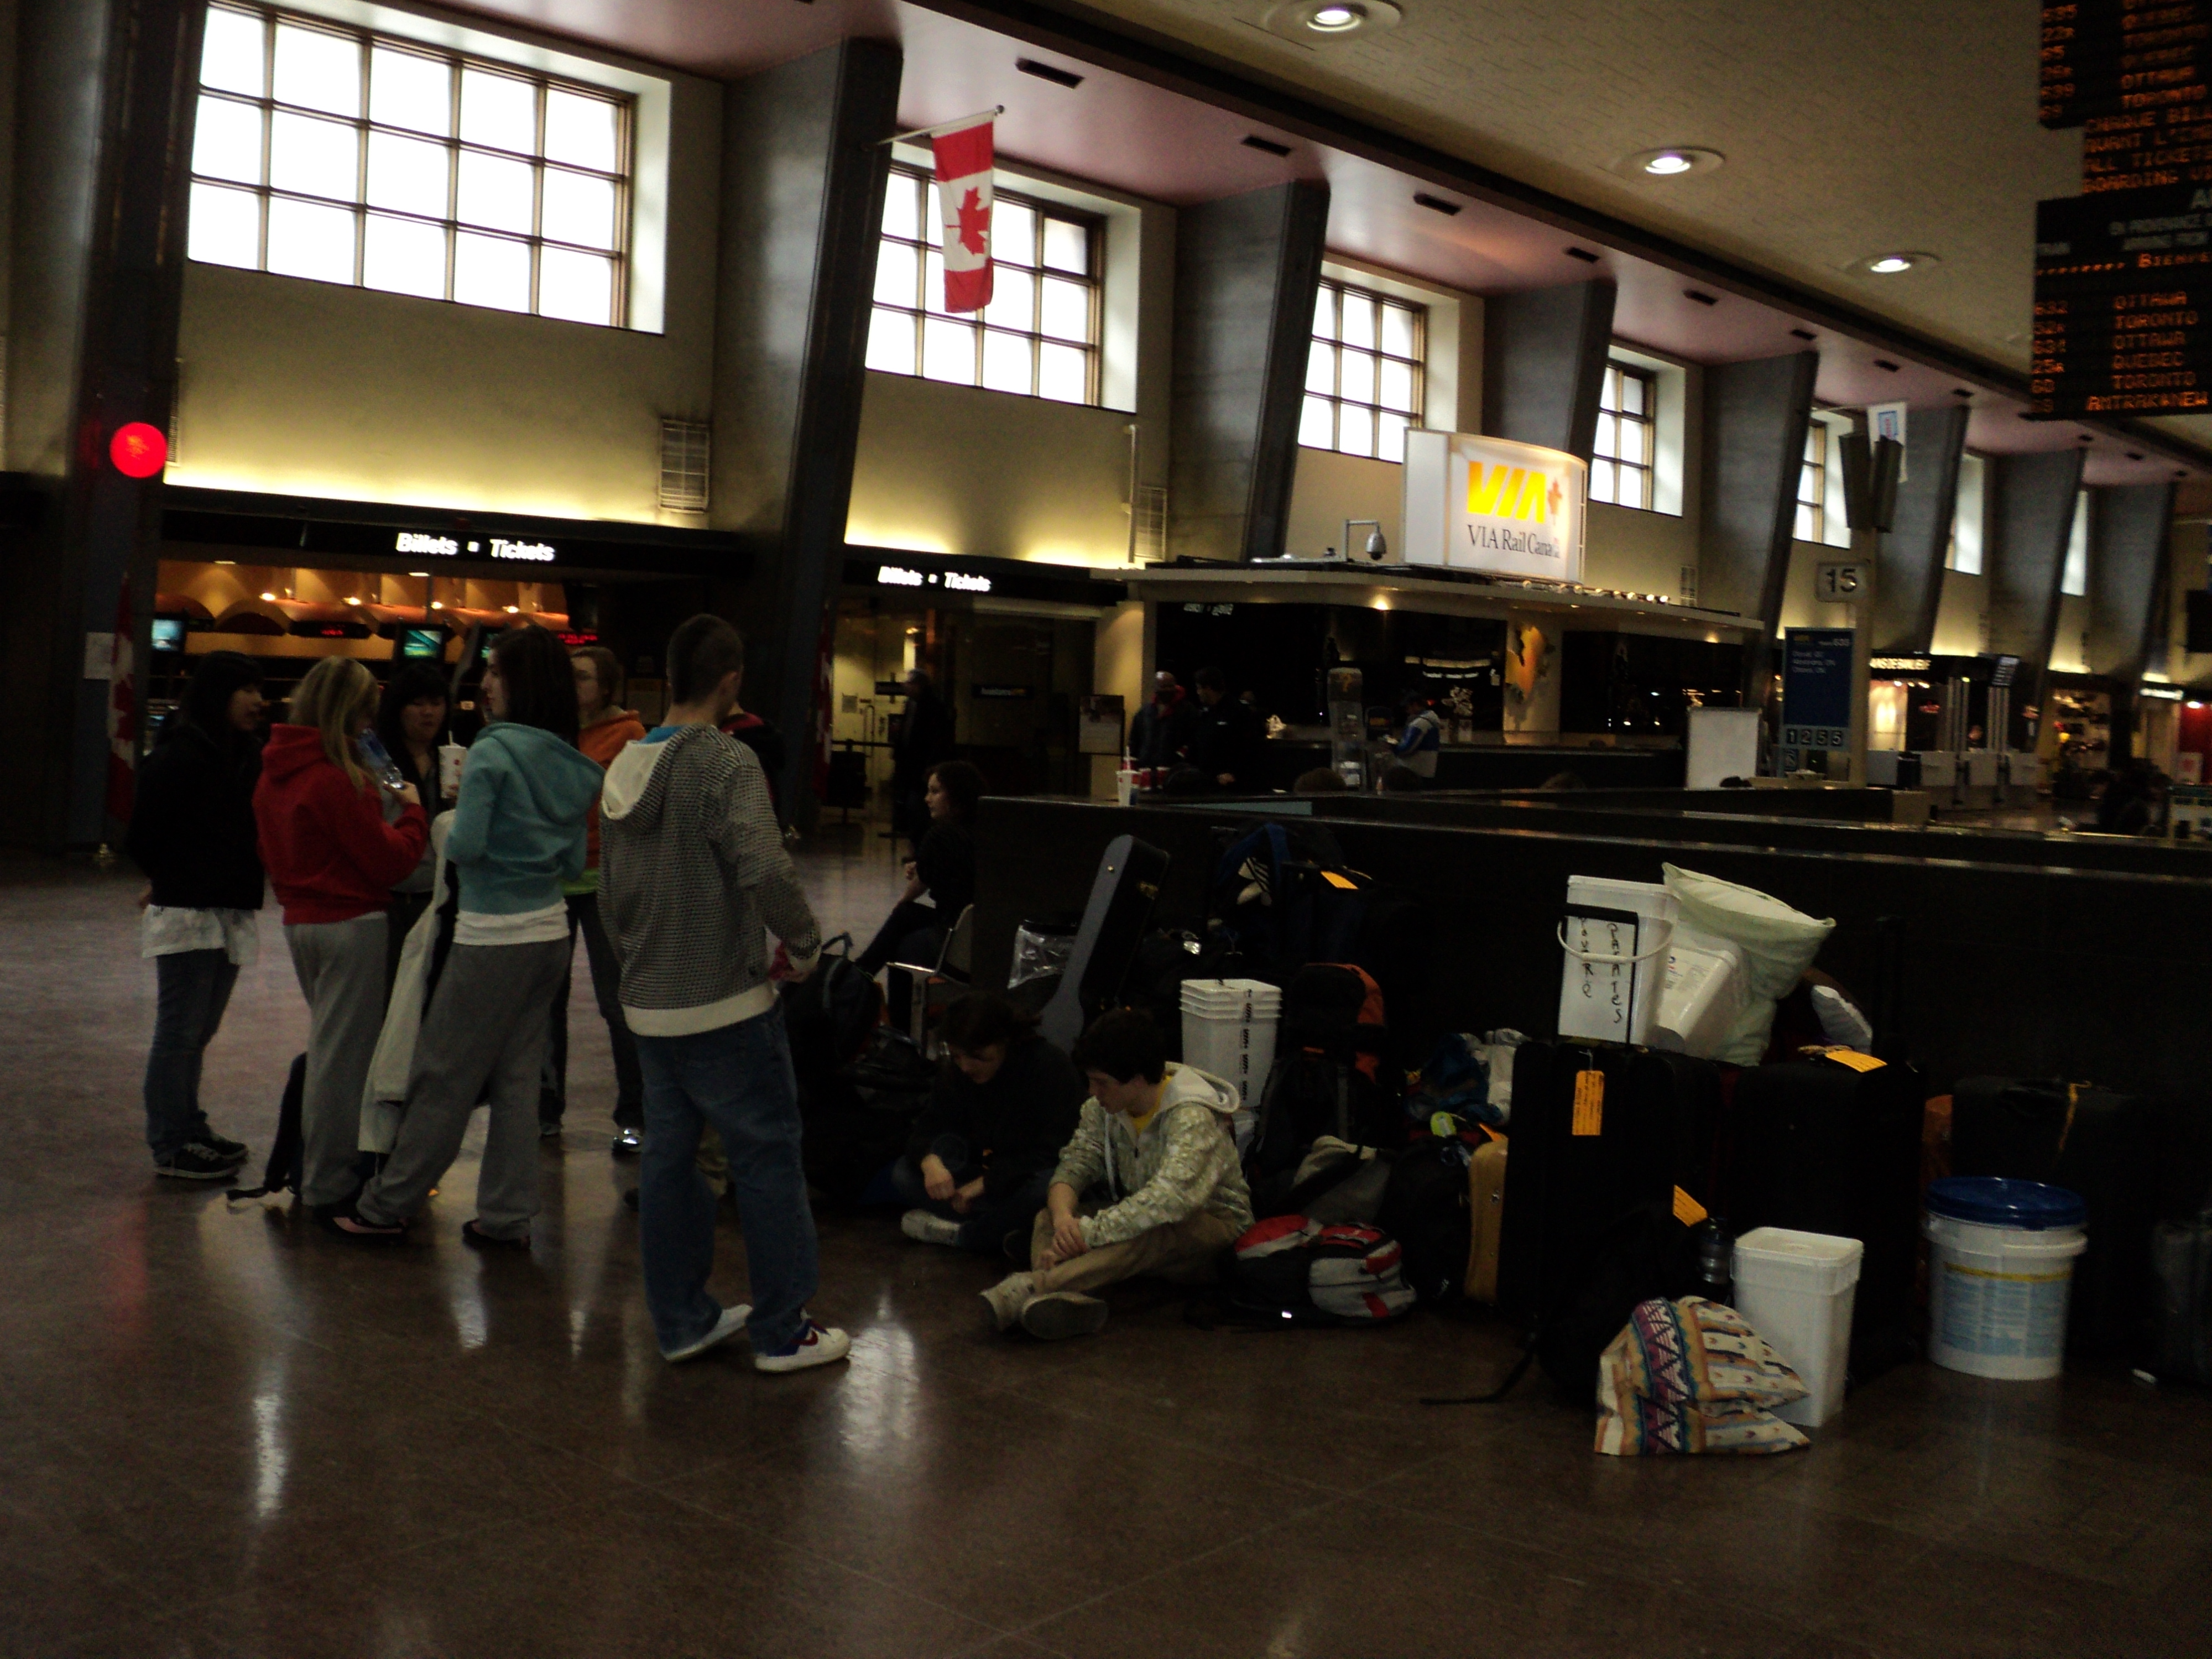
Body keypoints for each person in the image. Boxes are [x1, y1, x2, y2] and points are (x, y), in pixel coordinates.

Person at [599, 614, 848, 1372]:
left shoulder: (625, 764)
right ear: (731, 681)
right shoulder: (724, 760)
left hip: (649, 1004)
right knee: (767, 1157)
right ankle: (782, 1330)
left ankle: (680, 1321)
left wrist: (638, 972)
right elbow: (764, 867)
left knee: (670, 1161)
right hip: (725, 1003)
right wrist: (803, 944)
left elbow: (612, 897)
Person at [337, 625, 604, 1244]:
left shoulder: (493, 749)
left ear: (522, 682)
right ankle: (508, 1215)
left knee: (443, 1074)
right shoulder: (575, 763)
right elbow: (572, 862)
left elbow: (467, 847)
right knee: (518, 1081)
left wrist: (452, 816)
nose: (486, 684)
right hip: (549, 934)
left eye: (497, 672)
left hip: (490, 937)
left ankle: (388, 1204)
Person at [255, 657, 428, 1218]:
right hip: (352, 926)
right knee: (342, 1066)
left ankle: (315, 1171)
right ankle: (329, 1182)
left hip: (300, 923)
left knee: (331, 1053)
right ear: (354, 713)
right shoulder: (337, 778)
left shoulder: (275, 771)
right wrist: (414, 816)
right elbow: (388, 862)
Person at [980, 1009, 1254, 1340]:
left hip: (1216, 1237)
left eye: (1101, 1082)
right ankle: (1060, 1296)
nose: (1093, 1091)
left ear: (1137, 1080)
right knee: (1048, 1216)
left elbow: (1169, 1202)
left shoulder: (1192, 1117)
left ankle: (1036, 1285)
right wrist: (1064, 1219)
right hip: (1147, 1221)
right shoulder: (1103, 1109)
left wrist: (1087, 1235)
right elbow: (1076, 1164)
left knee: (1154, 1227)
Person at [127, 651, 267, 1180]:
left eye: (258, 690)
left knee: (200, 1031)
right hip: (188, 912)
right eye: (245, 690)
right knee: (179, 1033)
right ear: (217, 695)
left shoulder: (248, 754)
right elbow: (143, 836)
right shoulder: (179, 755)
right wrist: (176, 877)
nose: (257, 701)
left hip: (231, 907)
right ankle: (170, 1142)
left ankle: (191, 1126)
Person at [541, 645, 648, 1150]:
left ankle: (635, 1114)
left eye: (583, 677)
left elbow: (621, 803)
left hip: (604, 876)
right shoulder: (554, 730)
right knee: (548, 1000)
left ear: (606, 687)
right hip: (555, 877)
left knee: (616, 1001)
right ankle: (545, 1109)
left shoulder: (629, 735)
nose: (573, 685)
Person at [892, 993, 1085, 1255]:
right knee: (904, 1173)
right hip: (983, 1179)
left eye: (978, 1057)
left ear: (1005, 1043)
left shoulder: (1049, 1067)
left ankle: (970, 1236)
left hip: (1023, 1176)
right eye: (957, 1057)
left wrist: (988, 1183)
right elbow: (928, 1126)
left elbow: (1056, 1151)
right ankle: (1007, 1229)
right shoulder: (956, 1073)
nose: (966, 1067)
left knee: (1045, 1189)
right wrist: (930, 1161)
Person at [857, 758, 982, 983]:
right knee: (905, 915)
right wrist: (924, 864)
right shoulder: (985, 830)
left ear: (956, 796)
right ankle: (860, 973)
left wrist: (906, 895)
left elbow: (921, 881)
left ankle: (858, 978)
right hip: (981, 933)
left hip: (953, 934)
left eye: (935, 792)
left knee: (902, 934)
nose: (927, 799)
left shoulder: (941, 835)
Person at [372, 662, 451, 989]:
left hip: (437, 895)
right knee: (388, 990)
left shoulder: (451, 759)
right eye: (417, 704)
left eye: (435, 703)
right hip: (388, 898)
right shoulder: (377, 761)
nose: (428, 713)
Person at [890, 667, 957, 848]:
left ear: (919, 685)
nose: (906, 686)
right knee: (910, 807)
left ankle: (923, 845)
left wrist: (931, 764)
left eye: (910, 683)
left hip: (923, 765)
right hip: (908, 765)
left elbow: (937, 739)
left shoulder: (933, 707)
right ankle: (915, 843)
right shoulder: (910, 705)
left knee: (919, 807)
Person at [1190, 665, 1262, 790]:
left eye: (1199, 688)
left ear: (1208, 688)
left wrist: (1234, 773)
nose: (1198, 693)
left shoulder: (1238, 712)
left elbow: (1250, 748)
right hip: (1205, 779)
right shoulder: (1204, 713)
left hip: (1229, 783)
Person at [1128, 671, 1196, 773]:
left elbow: (1193, 739)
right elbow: (1134, 740)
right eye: (1163, 687)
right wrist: (1132, 764)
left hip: (1175, 771)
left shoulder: (1187, 711)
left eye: (1170, 686)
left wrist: (1179, 756)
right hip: (1146, 770)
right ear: (1155, 688)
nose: (1168, 690)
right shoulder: (1144, 712)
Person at [1393, 690, 1442, 780]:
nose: (1407, 711)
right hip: (1427, 769)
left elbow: (1407, 749)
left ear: (1415, 705)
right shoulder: (1432, 721)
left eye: (1407, 708)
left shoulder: (1419, 724)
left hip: (1413, 770)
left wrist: (1393, 748)